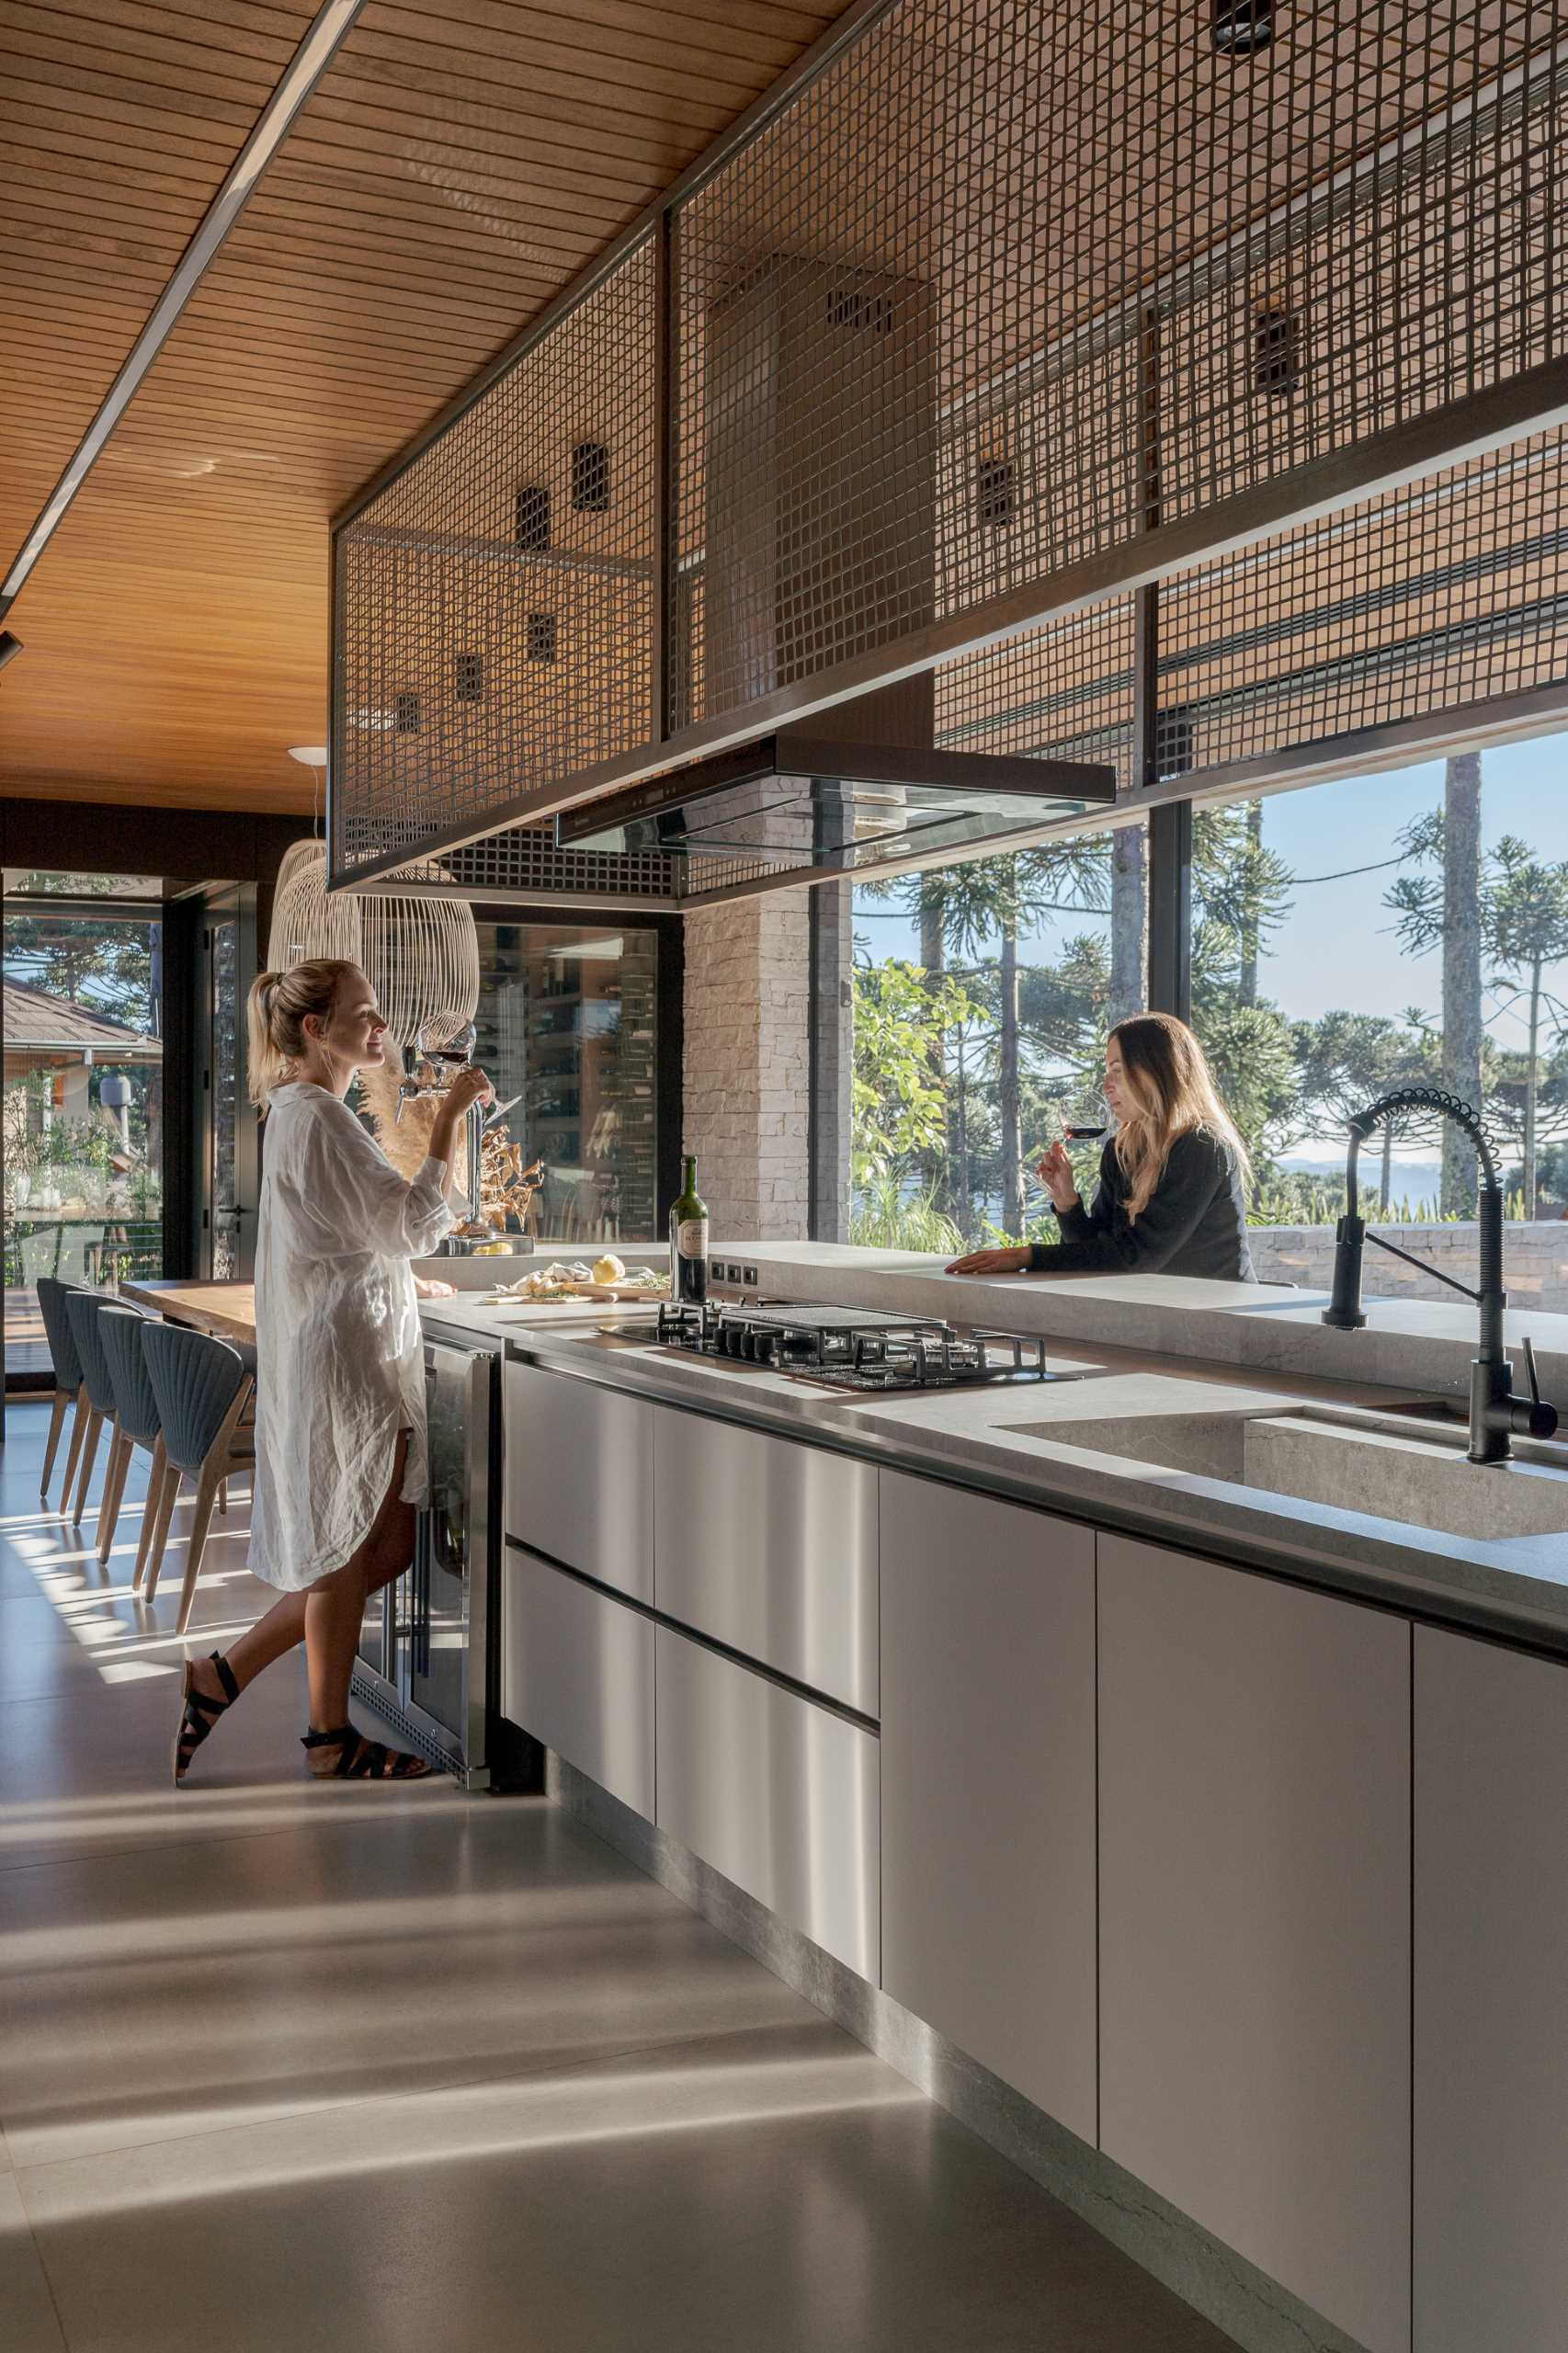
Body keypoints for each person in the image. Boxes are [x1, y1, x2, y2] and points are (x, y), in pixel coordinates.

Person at [171, 960, 493, 1784]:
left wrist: (395, 1276)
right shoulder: (318, 1117)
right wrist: (451, 1117)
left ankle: (224, 1676)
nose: (379, 1027)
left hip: (342, 1346)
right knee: (351, 1550)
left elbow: (341, 1235)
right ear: (316, 1030)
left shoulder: (301, 1113)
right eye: (365, 1014)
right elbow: (413, 1221)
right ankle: (327, 1736)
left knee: (378, 1548)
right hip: (347, 1366)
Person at [947, 1012, 1255, 1282]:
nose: (1106, 1085)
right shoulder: (1121, 1151)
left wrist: (1028, 1257)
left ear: (1156, 1073)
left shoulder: (1202, 1146)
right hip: (1157, 1312)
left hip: (1221, 1319)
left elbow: (1137, 1257)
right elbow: (1095, 1251)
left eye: (1118, 1071)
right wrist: (1067, 1203)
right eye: (1107, 1071)